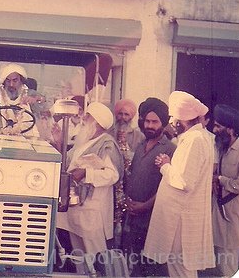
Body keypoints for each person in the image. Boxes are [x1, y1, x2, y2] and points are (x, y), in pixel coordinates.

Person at [144, 91, 215, 277]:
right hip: (180, 218)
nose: (171, 123)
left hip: (181, 222)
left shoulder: (194, 141)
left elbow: (184, 181)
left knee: (180, 269)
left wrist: (165, 165)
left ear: (180, 120)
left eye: (173, 119)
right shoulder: (196, 138)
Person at [56, 102, 122, 261]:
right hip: (76, 209)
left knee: (96, 257)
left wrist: (86, 173)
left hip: (92, 210)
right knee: (79, 256)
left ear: (98, 123)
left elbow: (113, 175)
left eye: (88, 116)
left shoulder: (107, 144)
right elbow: (67, 164)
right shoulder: (84, 141)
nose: (83, 118)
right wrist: (58, 142)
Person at [123, 97, 176, 277]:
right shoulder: (140, 146)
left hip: (153, 219)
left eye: (155, 122)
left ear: (163, 123)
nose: (150, 125)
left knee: (153, 267)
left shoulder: (170, 149)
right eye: (147, 121)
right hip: (134, 218)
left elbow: (168, 187)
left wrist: (144, 206)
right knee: (136, 265)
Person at [0, 63, 50, 137]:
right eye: (8, 81)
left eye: (15, 80)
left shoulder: (31, 94)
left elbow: (45, 107)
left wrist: (38, 99)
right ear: (4, 81)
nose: (11, 84)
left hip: (26, 138)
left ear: (21, 80)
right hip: (0, 136)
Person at [109, 99, 145, 248]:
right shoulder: (108, 132)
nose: (123, 117)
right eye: (120, 114)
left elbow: (138, 161)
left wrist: (126, 148)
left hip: (128, 185)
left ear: (132, 117)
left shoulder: (139, 136)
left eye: (126, 114)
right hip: (110, 184)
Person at [211, 104, 239, 277]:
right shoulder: (221, 147)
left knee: (229, 264)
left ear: (230, 129)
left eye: (218, 126)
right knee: (219, 262)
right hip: (219, 212)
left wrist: (220, 180)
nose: (214, 130)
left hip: (232, 215)